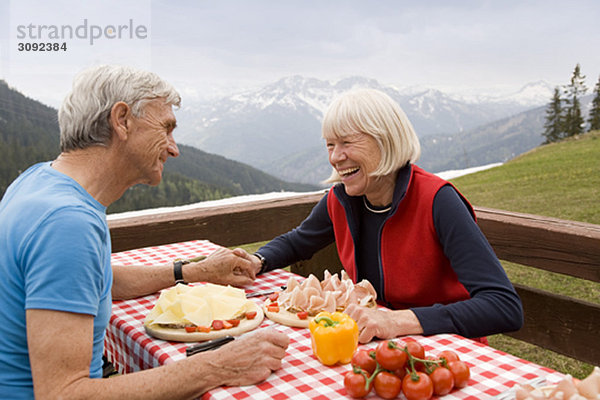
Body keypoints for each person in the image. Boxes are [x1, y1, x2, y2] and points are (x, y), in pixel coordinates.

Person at [0, 65, 288, 399]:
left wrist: (194, 272)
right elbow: (64, 394)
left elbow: (92, 278)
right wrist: (218, 365)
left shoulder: (40, 181)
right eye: (166, 128)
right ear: (121, 120)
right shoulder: (67, 222)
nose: (174, 148)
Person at [250, 88, 524, 344]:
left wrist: (396, 320)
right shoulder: (342, 199)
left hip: (446, 351)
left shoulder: (437, 201)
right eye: (330, 145)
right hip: (380, 346)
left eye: (346, 142)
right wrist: (256, 260)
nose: (335, 157)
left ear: (385, 141)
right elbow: (298, 241)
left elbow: (503, 306)